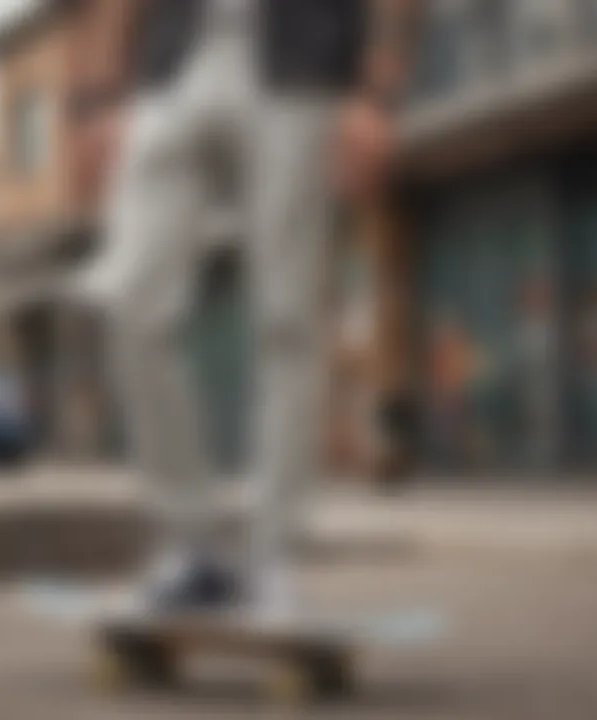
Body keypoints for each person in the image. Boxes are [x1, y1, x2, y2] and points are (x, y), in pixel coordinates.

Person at [78, 0, 422, 619]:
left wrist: (377, 94)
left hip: (300, 69)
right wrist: (99, 99)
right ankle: (193, 547)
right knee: (129, 299)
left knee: (287, 319)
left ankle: (272, 558)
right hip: (176, 66)